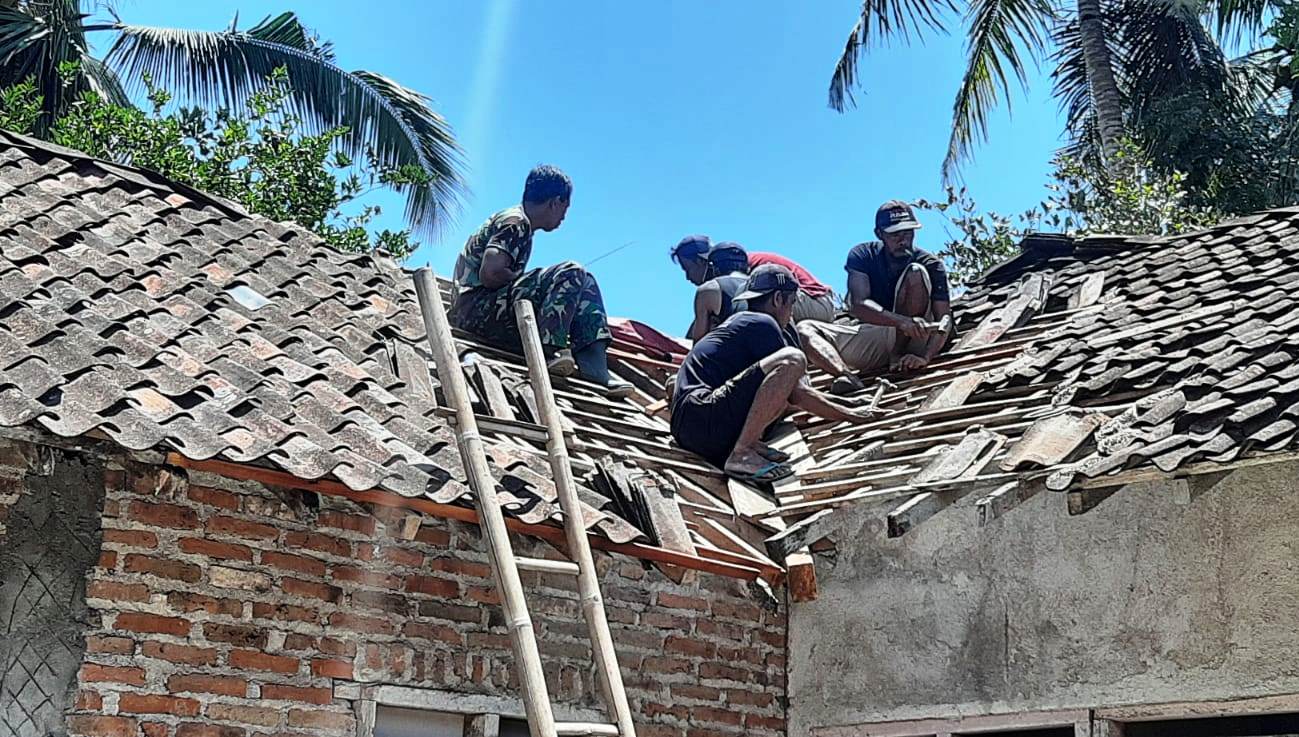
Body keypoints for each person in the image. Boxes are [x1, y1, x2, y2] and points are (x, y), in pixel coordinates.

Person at [670, 264, 872, 482]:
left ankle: (749, 444)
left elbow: (773, 390)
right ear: (778, 299)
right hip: (704, 417)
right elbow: (797, 394)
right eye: (792, 303)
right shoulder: (762, 323)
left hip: (688, 429)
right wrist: (850, 415)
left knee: (780, 374)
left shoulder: (740, 325)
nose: (792, 312)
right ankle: (742, 453)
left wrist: (850, 404)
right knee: (793, 359)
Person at [450, 165, 633, 397]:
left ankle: (594, 365)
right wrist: (533, 283)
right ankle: (548, 351)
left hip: (483, 312)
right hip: (473, 312)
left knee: (585, 280)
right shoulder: (515, 223)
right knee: (572, 272)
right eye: (564, 208)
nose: (563, 217)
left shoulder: (520, 224)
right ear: (554, 202)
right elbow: (491, 273)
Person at [801, 200, 953, 374]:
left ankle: (901, 352)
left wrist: (926, 357)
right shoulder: (863, 255)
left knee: (916, 272)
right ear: (879, 234)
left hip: (919, 337)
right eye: (895, 234)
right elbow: (859, 304)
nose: (903, 240)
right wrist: (902, 322)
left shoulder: (931, 264)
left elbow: (944, 320)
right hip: (881, 336)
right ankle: (846, 377)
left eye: (908, 233)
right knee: (805, 330)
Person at [669, 235, 836, 323]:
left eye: (687, 269)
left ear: (700, 261)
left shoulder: (738, 271)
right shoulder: (733, 267)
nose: (687, 277)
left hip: (815, 301)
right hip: (810, 303)